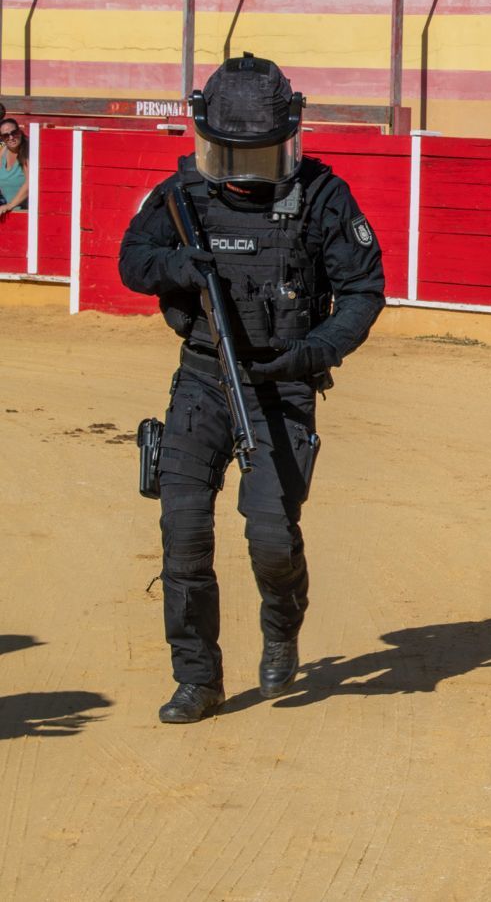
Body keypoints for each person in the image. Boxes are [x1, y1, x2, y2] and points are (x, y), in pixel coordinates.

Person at [118, 54, 385, 724]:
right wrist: (180, 264)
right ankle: (198, 678)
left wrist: (315, 350)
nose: (246, 168)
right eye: (234, 152)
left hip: (282, 384)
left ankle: (281, 619)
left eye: (261, 153)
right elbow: (132, 261)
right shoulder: (181, 195)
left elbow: (362, 290)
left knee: (270, 533)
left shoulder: (323, 195)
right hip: (204, 380)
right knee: (182, 533)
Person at [0, 119, 27, 218]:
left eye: (13, 133)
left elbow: (30, 183)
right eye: (6, 135)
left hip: (26, 213)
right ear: (2, 138)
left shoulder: (27, 150)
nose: (11, 137)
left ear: (19, 131)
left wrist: (10, 205)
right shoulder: (3, 150)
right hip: (6, 212)